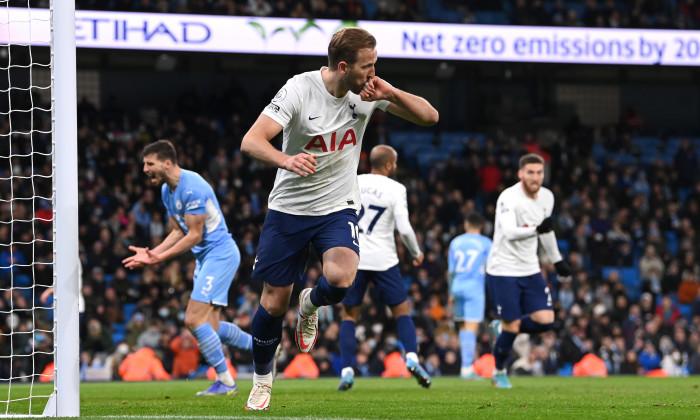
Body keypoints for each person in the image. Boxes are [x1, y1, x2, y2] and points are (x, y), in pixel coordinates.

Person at [240, 27, 438, 410]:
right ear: (343, 66)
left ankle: (311, 304)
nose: (374, 72)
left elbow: (430, 117)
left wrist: (390, 93)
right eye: (368, 66)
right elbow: (252, 140)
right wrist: (286, 159)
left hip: (338, 205)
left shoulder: (370, 92)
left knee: (342, 279)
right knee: (273, 302)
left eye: (376, 64)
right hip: (289, 208)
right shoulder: (299, 89)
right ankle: (263, 381)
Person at [123, 140, 253, 396]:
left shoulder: (192, 187)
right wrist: (152, 252)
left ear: (167, 162)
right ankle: (263, 347)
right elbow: (178, 230)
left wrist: (160, 259)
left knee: (193, 319)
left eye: (150, 164)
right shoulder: (166, 191)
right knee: (210, 329)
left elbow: (194, 234)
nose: (145, 169)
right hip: (206, 258)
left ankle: (226, 382)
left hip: (220, 254)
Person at [336, 145, 431, 391]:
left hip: (354, 257)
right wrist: (416, 253)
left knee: (349, 316)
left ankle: (347, 371)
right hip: (385, 260)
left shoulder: (354, 180)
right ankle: (411, 357)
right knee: (401, 311)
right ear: (389, 165)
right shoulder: (396, 189)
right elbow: (405, 228)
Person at [485, 153, 570, 389]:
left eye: (539, 172)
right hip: (503, 268)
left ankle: (502, 329)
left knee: (546, 320)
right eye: (530, 172)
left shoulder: (546, 197)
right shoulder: (508, 197)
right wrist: (536, 228)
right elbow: (510, 232)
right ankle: (499, 371)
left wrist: (557, 260)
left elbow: (547, 229)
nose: (535, 177)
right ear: (520, 174)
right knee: (513, 327)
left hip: (530, 267)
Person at [447, 212, 492, 380]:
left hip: (457, 287)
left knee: (464, 328)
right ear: (481, 226)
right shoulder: (486, 243)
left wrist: (450, 292)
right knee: (471, 328)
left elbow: (450, 271)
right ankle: (466, 368)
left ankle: (465, 367)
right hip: (474, 287)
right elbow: (490, 267)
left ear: (466, 225)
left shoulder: (455, 242)